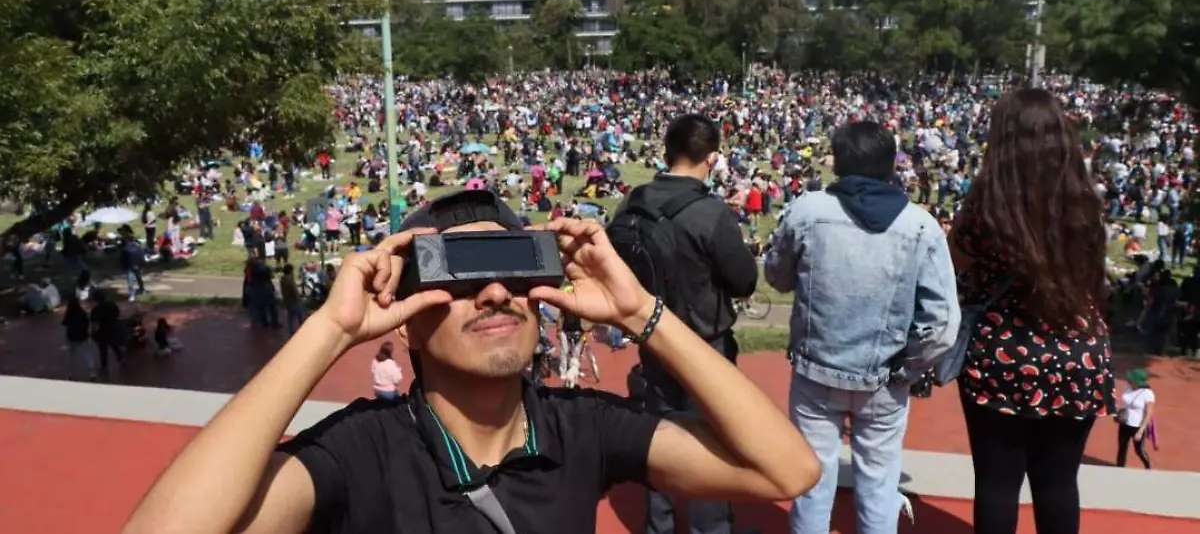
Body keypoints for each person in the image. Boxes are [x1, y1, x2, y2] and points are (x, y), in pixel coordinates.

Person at [124, 190, 820, 534]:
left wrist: (640, 312)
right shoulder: (361, 454)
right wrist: (330, 331)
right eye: (455, 279)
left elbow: (786, 470)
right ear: (407, 319)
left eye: (515, 272)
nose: (493, 292)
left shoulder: (582, 427)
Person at [764, 120, 960, 534]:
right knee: (879, 481)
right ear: (891, 166)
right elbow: (943, 322)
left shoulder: (807, 210)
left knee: (811, 478)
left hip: (816, 370)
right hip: (884, 378)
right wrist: (909, 367)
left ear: (838, 163)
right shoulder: (920, 225)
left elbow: (777, 277)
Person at [949, 89, 1115, 534]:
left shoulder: (985, 208)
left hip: (1001, 355)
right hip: (1078, 352)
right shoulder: (1084, 203)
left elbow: (952, 267)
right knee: (1058, 482)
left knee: (997, 482)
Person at [610, 113, 759, 534]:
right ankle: (710, 528)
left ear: (666, 151)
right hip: (703, 340)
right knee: (712, 440)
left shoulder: (634, 201)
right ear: (712, 158)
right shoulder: (710, 212)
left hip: (653, 334)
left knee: (659, 433)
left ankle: (659, 525)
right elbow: (744, 281)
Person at [1115, 368, 1155, 469]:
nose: (1129, 381)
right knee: (1122, 448)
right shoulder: (1127, 387)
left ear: (1138, 382)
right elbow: (1125, 403)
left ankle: (1148, 468)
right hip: (1124, 424)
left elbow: (1148, 413)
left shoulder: (1148, 394)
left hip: (1137, 427)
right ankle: (1119, 469)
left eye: (1131, 380)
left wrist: (1140, 431)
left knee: (1139, 450)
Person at [63, 296, 96, 380]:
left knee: (72, 355)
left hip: (72, 336)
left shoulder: (69, 313)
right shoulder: (82, 312)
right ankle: (92, 373)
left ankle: (71, 374)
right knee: (87, 354)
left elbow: (65, 323)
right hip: (82, 336)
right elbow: (86, 323)